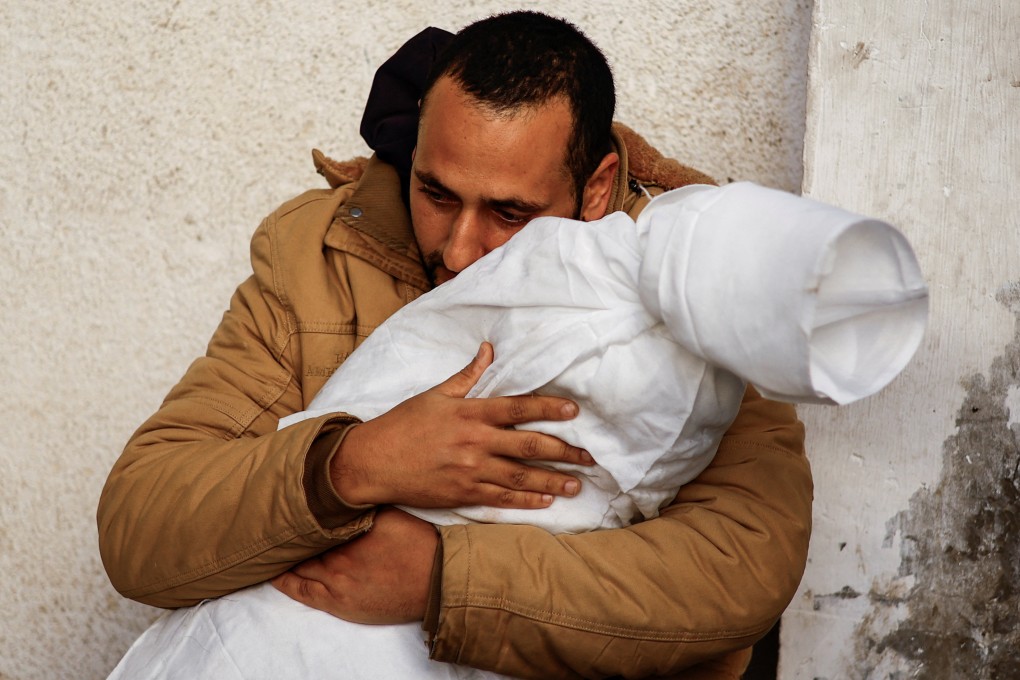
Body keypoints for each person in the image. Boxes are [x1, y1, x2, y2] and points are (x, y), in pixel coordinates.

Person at [98, 11, 814, 679]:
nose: (461, 249)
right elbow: (143, 527)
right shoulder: (320, 256)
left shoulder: (685, 287)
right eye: (436, 194)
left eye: (509, 213)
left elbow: (741, 568)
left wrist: (445, 579)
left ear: (595, 189)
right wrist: (354, 463)